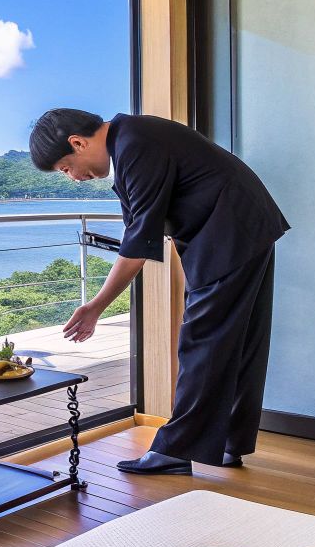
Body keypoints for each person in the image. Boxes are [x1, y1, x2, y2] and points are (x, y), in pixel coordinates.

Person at [30, 108, 288, 474]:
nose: (73, 178)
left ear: (78, 143)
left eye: (65, 168)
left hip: (230, 232)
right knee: (239, 341)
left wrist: (96, 306)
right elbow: (139, 228)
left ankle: (176, 450)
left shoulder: (135, 144)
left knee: (203, 341)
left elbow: (138, 244)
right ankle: (228, 442)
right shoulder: (131, 138)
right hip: (243, 226)